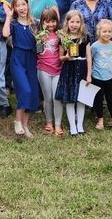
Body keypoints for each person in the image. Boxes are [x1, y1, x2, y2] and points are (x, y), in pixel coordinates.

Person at [2, 0, 39, 138]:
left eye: (24, 4)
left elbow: (41, 39)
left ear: (28, 5)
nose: (22, 8)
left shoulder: (35, 23)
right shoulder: (14, 24)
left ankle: (25, 125)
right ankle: (17, 120)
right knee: (25, 89)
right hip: (18, 58)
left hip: (32, 59)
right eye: (18, 6)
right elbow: (5, 33)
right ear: (15, 9)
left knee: (33, 92)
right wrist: (8, 16)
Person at [55, 11, 92, 137]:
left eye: (77, 22)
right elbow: (60, 58)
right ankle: (72, 126)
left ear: (81, 23)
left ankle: (80, 125)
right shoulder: (64, 38)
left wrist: (89, 75)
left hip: (82, 69)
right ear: (67, 23)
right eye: (72, 22)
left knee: (81, 99)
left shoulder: (85, 38)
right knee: (70, 99)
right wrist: (66, 57)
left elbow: (89, 57)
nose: (74, 25)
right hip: (69, 70)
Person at [90, 19, 112, 130]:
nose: (107, 34)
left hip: (108, 77)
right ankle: (100, 120)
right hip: (97, 77)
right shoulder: (94, 46)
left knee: (110, 98)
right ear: (98, 32)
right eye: (104, 31)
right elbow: (91, 59)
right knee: (99, 99)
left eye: (109, 31)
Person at [36, 8, 64, 136]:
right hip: (43, 70)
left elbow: (66, 50)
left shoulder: (60, 35)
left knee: (56, 98)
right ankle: (49, 121)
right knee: (47, 98)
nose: (51, 24)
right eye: (47, 21)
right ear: (42, 22)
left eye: (53, 21)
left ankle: (58, 124)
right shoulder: (39, 35)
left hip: (57, 70)